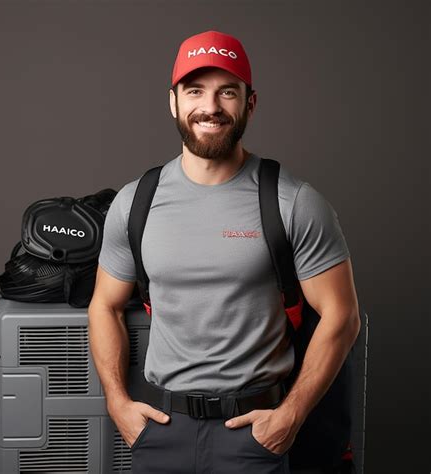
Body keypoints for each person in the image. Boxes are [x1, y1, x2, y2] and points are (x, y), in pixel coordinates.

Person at [88, 30, 361, 474]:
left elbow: (342, 315)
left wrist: (288, 417)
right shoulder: (134, 202)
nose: (210, 108)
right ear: (173, 102)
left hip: (254, 434)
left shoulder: (293, 202)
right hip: (160, 431)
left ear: (249, 104)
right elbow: (104, 305)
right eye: (195, 91)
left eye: (227, 93)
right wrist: (117, 403)